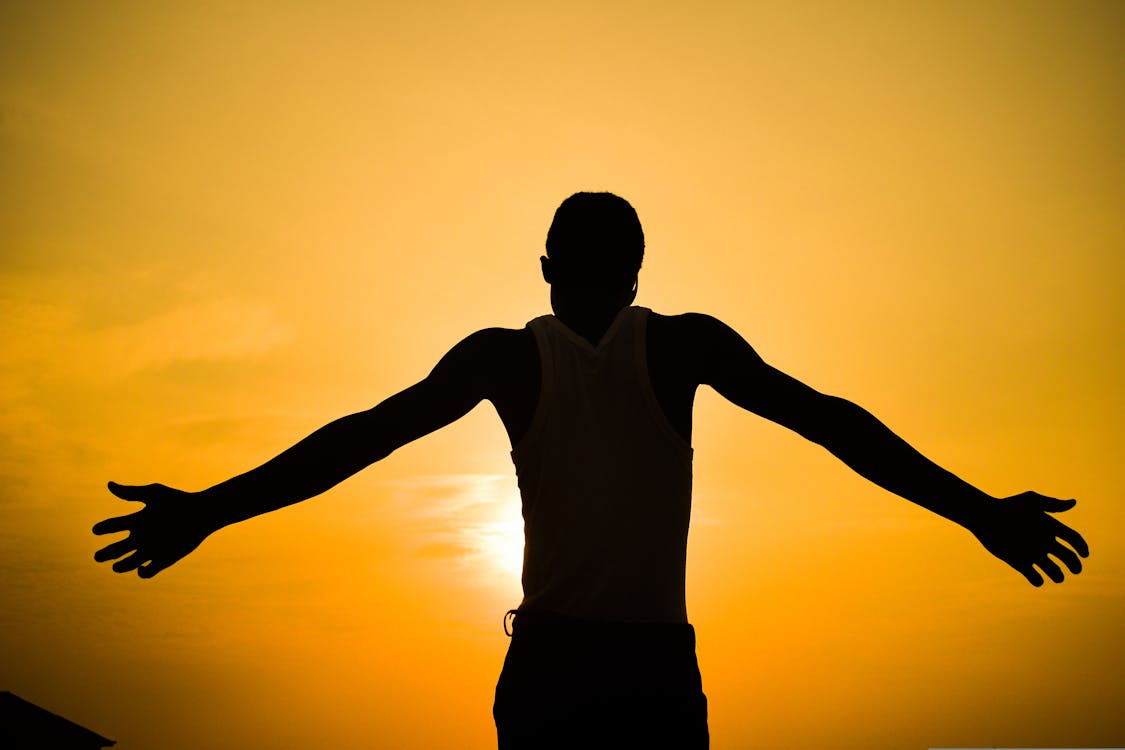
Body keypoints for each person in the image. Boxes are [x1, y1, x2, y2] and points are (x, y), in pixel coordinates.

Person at [94, 191, 1088, 749]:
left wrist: (210, 511)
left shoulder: (505, 357)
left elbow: (362, 437)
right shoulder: (683, 345)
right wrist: (978, 512)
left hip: (559, 670)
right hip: (647, 672)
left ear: (544, 267)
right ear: (638, 272)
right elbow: (833, 424)